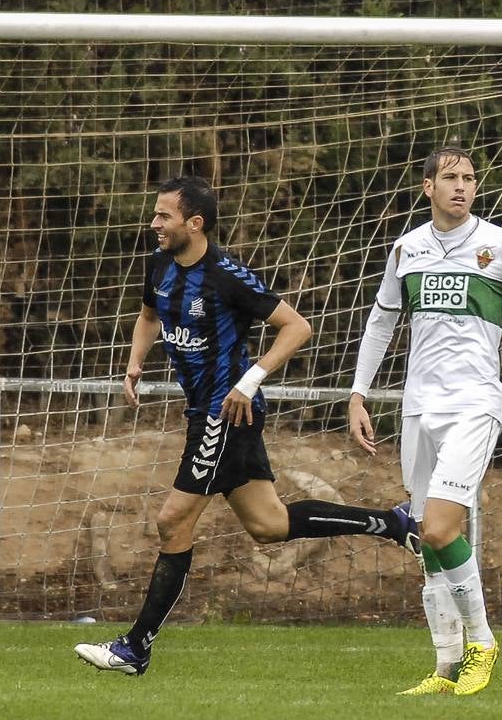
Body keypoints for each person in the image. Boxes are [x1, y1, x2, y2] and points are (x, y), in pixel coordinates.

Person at [74, 175, 416, 676]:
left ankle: (135, 646)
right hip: (203, 413)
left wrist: (249, 381)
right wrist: (134, 362)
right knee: (268, 525)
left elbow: (297, 326)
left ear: (195, 223)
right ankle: (393, 523)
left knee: (171, 520)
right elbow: (149, 315)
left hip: (227, 414)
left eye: (163, 215)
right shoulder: (159, 265)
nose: (154, 223)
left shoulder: (227, 276)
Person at [348, 146, 502, 697]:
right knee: (428, 543)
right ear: (428, 187)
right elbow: (381, 325)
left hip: (474, 406)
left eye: (469, 179)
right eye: (449, 178)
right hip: (417, 409)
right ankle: (445, 665)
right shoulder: (406, 250)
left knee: (438, 528)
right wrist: (359, 395)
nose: (461, 187)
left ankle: (482, 643)